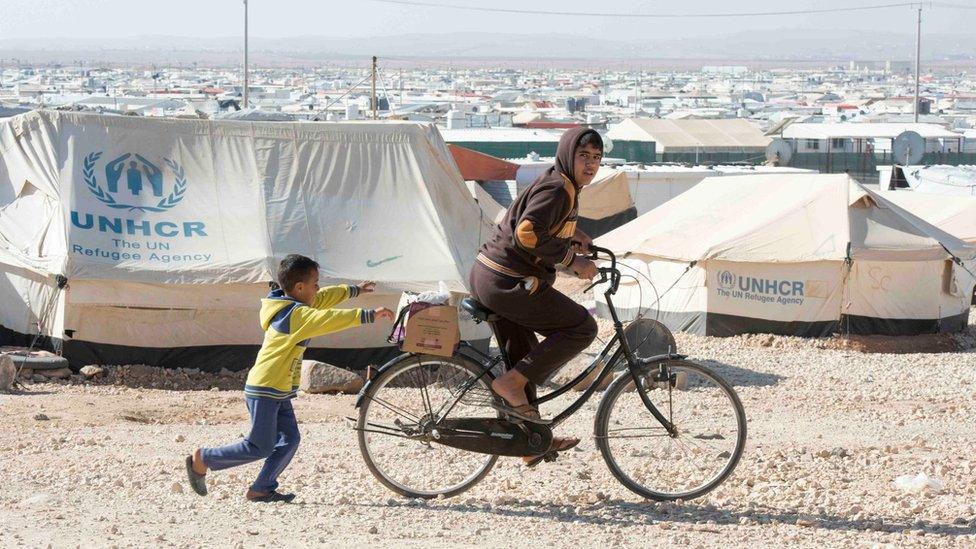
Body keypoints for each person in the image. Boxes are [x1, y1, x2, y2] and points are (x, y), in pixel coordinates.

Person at [185, 254, 394, 502]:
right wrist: (368, 315)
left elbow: (324, 298)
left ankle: (261, 488)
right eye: (315, 283)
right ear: (300, 287)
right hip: (265, 387)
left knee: (290, 439)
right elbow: (328, 318)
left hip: (278, 388)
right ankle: (203, 459)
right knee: (259, 446)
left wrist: (354, 290)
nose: (318, 288)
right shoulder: (295, 316)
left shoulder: (292, 304)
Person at [469, 127, 601, 466]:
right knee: (582, 327)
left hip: (492, 275)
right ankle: (510, 386)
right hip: (507, 281)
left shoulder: (563, 184)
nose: (590, 164)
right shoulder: (558, 188)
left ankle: (529, 440)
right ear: (568, 155)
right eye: (583, 156)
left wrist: (574, 234)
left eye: (596, 158)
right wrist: (572, 261)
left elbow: (542, 223)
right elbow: (527, 233)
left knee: (524, 355)